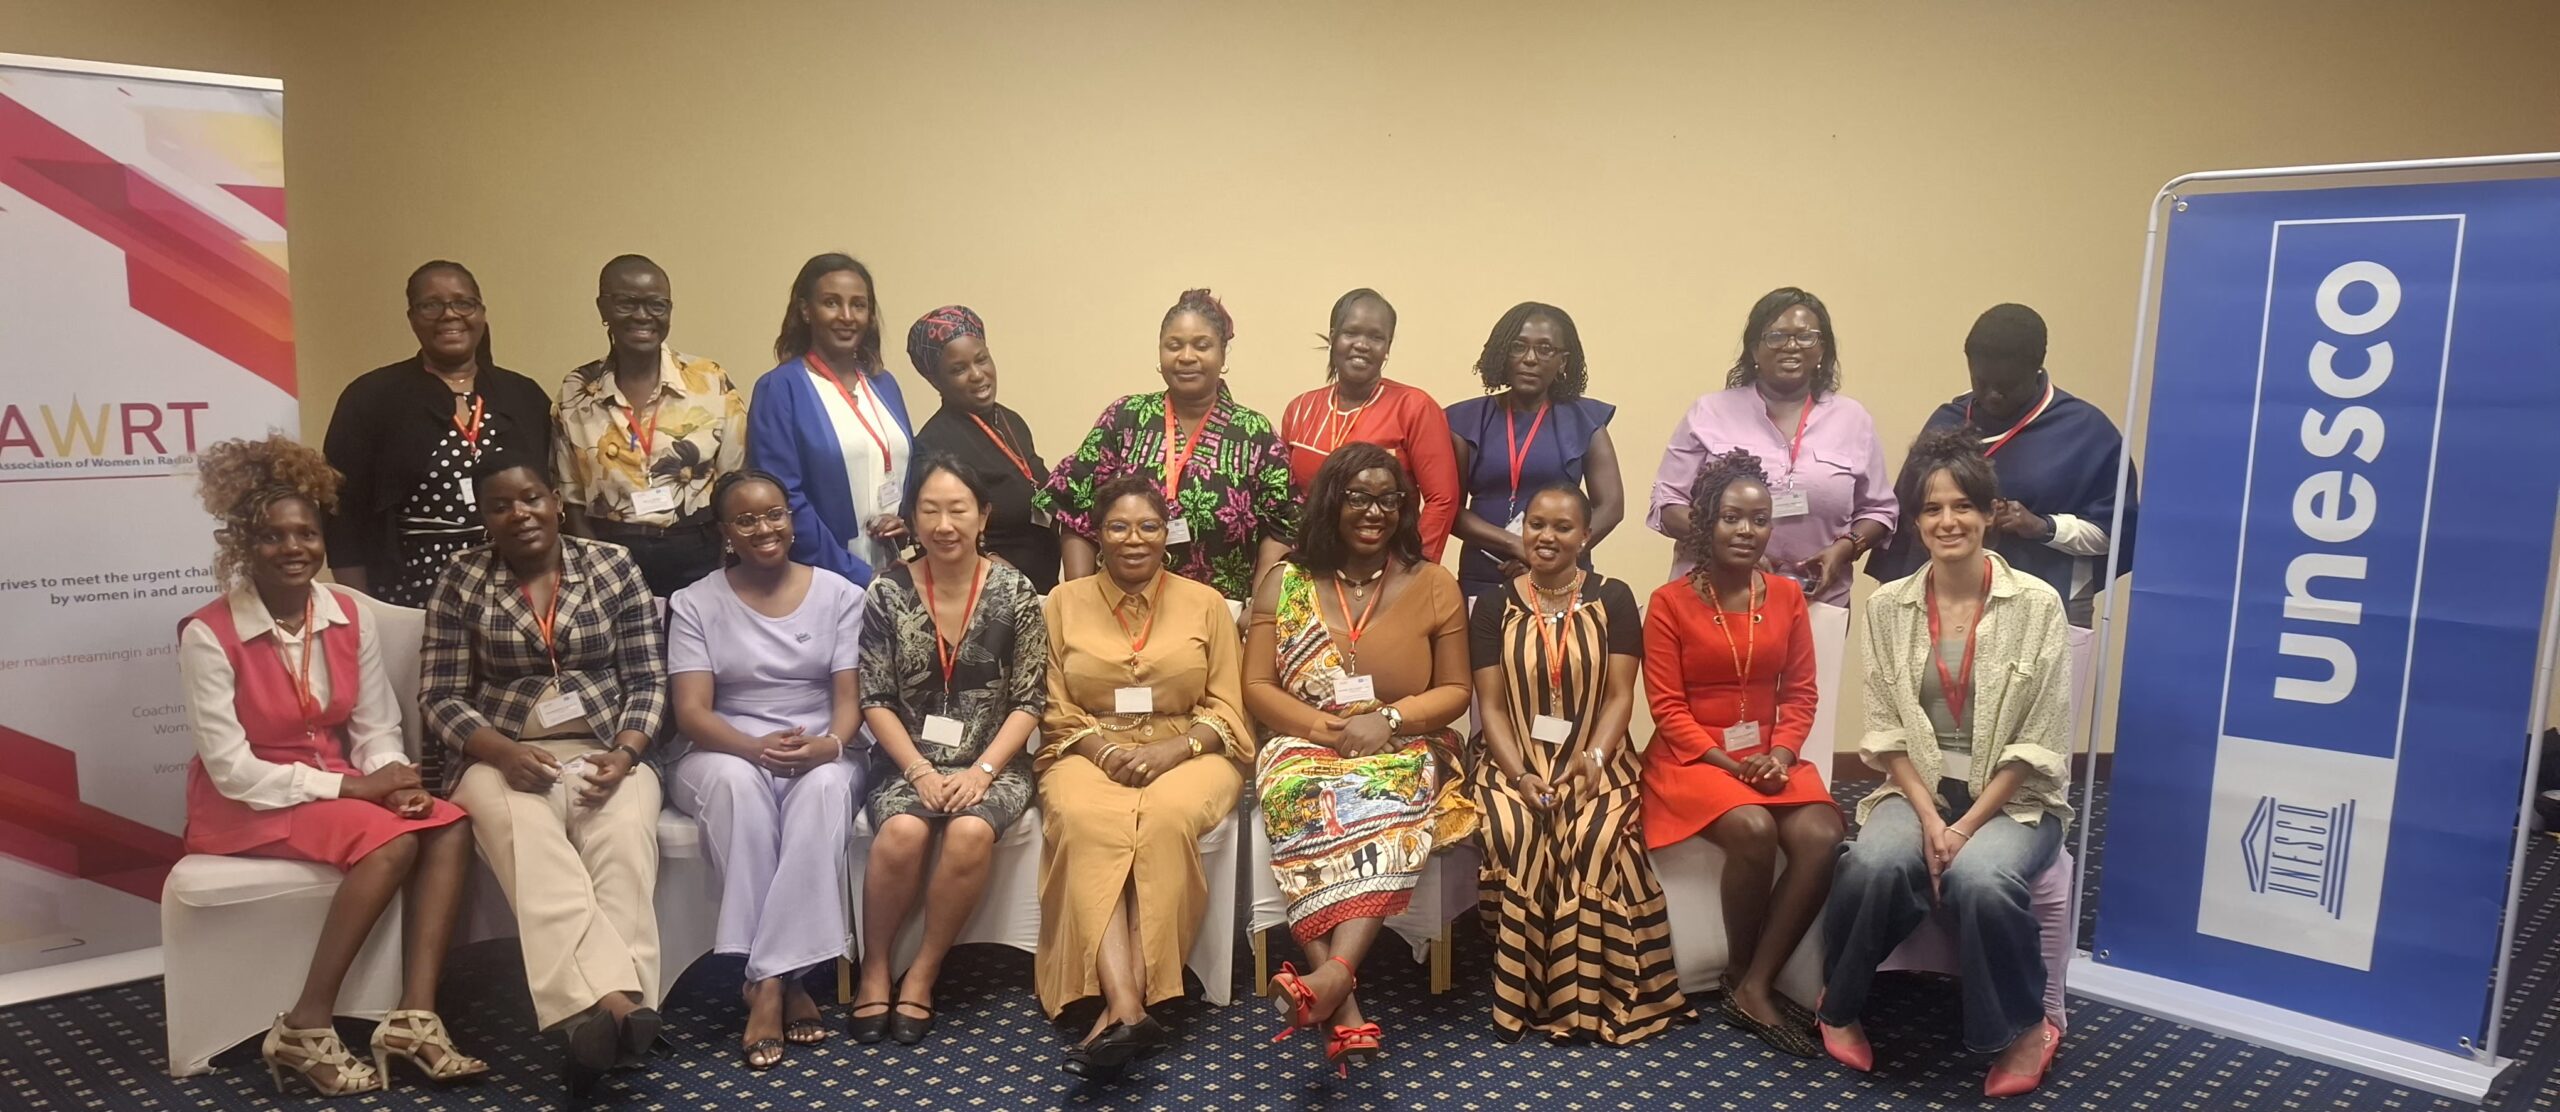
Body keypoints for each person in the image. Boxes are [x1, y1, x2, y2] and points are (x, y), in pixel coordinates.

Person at [180, 435, 485, 1097]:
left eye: (306, 533)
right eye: (271, 537)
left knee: (449, 822)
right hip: (248, 802)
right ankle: (305, 1024)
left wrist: (397, 780)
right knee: (390, 848)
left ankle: (416, 1018)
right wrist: (358, 786)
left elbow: (375, 725)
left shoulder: (348, 612)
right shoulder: (208, 633)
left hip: (344, 790)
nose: (294, 548)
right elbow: (231, 769)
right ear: (241, 545)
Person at [1817, 430, 2073, 1098]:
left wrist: (1963, 831)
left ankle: (2025, 1029)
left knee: (1983, 880)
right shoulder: (1888, 606)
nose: (1947, 521)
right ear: (1915, 520)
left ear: (1989, 513)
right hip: (1922, 789)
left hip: (2014, 800)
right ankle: (1839, 1003)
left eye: (1963, 505)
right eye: (1932, 509)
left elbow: (2037, 743)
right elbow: (1885, 732)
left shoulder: (2038, 605)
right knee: (1873, 860)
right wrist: (1932, 817)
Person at [419, 456, 667, 1096]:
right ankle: (616, 1005)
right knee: (534, 847)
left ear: (556, 502)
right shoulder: (462, 578)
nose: (519, 513)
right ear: (485, 518)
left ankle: (591, 1020)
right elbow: (440, 695)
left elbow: (647, 677)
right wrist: (499, 752)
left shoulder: (611, 564)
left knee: (623, 843)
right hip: (501, 755)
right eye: (501, 505)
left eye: (531, 498)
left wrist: (629, 751)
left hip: (606, 747)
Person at [1248, 444, 1475, 1075]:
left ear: (1403, 507)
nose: (1373, 511)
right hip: (1305, 741)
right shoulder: (1285, 580)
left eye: (1387, 498)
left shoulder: (1434, 583)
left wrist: (1392, 719)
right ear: (1332, 501)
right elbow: (1259, 687)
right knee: (1299, 794)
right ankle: (1340, 999)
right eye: (1358, 496)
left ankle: (1328, 982)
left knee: (1389, 804)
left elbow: (1457, 691)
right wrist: (1320, 726)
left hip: (1405, 743)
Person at [1033, 475, 1252, 1077]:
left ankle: (1122, 1011)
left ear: (1168, 535)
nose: (1134, 540)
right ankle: (1129, 1005)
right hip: (1086, 749)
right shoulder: (1062, 602)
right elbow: (1053, 706)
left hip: (1190, 750)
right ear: (1097, 535)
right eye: (1119, 527)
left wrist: (1176, 749)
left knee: (1162, 819)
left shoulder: (1206, 602)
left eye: (1149, 527)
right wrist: (1103, 752)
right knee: (1086, 820)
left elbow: (1230, 705)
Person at [1465, 481, 1688, 1044]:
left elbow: (1620, 696)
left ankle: (1584, 1001)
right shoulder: (1494, 605)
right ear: (1523, 529)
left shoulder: (1613, 598)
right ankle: (1525, 994)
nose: (1547, 536)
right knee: (1514, 829)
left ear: (1586, 536)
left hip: (1598, 756)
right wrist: (1519, 775)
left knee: (1591, 834)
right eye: (1537, 523)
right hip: (1509, 757)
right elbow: (1489, 705)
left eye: (1563, 527)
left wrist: (1591, 759)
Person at [1639, 449, 1842, 1057]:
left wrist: (1780, 756)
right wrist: (1735, 766)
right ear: (1706, 521)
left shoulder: (1784, 596)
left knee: (1822, 834)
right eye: (1732, 518)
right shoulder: (1669, 603)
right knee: (1753, 827)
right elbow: (1667, 709)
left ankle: (1752, 983)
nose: (1747, 531)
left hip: (1770, 758)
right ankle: (1744, 980)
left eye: (1759, 520)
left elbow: (1802, 692)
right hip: (1693, 761)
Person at [664, 470, 868, 1070]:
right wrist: (754, 750)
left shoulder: (839, 594)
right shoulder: (696, 601)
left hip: (820, 746)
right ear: (726, 532)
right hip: (722, 749)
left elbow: (850, 702)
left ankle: (767, 980)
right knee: (738, 790)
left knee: (824, 790)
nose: (765, 528)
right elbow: (691, 712)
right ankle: (790, 977)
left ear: (791, 516)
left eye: (775, 513)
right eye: (747, 520)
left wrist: (830, 747)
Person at [850, 455, 1046, 1047]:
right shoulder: (887, 591)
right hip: (906, 758)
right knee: (904, 833)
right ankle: (876, 966)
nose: (944, 524)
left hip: (996, 761)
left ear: (982, 515)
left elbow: (1030, 699)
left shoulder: (1016, 592)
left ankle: (926, 971)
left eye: (958, 509)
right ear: (910, 517)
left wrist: (984, 771)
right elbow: (874, 697)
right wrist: (916, 767)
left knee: (967, 831)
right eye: (929, 510)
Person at [1866, 304, 2136, 628]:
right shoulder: (1947, 421)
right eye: (1982, 382)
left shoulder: (2085, 432)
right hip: (1945, 604)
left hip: (2046, 606)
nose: (1993, 395)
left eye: (2007, 386)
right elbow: (1909, 521)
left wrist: (2042, 526)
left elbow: (2116, 533)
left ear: (2037, 369)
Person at [1037, 288, 1296, 603]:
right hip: (1119, 610)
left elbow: (1283, 524)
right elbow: (1074, 504)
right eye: (1174, 345)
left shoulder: (1254, 433)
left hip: (1219, 615)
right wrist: (1080, 600)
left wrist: (1258, 609)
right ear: (1160, 352)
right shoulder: (1125, 418)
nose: (1187, 356)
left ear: (1223, 354)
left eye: (1202, 345)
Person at [322, 260, 551, 611]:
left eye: (463, 303)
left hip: (517, 584)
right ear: (412, 317)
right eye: (432, 305)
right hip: (410, 591)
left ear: (481, 313)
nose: (449, 315)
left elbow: (551, 496)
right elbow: (341, 514)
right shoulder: (371, 397)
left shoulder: (522, 394)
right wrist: (365, 611)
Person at [1647, 288, 1895, 605]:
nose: (1791, 346)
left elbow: (1879, 510)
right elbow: (1668, 505)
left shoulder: (1853, 419)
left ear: (1822, 350)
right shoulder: (1709, 413)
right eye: (1776, 336)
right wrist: (1729, 546)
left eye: (1806, 337)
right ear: (1754, 349)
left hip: (1815, 601)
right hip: (1713, 598)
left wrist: (1846, 547)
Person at [553, 254, 747, 597]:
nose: (643, 316)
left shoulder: (709, 379)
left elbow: (734, 480)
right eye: (627, 302)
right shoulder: (577, 389)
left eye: (656, 305)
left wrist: (724, 565)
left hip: (698, 553)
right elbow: (572, 499)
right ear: (603, 309)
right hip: (610, 556)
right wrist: (598, 570)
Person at [747, 253, 915, 585]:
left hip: (889, 572)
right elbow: (784, 500)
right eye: (831, 303)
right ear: (806, 310)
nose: (847, 316)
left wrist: (904, 523)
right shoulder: (780, 388)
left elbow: (905, 467)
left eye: (859, 305)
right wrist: (858, 576)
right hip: (816, 579)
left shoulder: (884, 384)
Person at [1445, 302, 1624, 599]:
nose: (1530, 359)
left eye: (1545, 349)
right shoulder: (1465, 421)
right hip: (1485, 576)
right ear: (1503, 353)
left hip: (1562, 577)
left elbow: (1611, 506)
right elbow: (1449, 508)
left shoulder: (1585, 420)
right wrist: (1516, 545)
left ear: (1563, 362)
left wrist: (1553, 556)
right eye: (1518, 346)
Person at [1278, 289, 1460, 560]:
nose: (1362, 344)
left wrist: (1412, 569)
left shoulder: (1414, 407)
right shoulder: (1300, 409)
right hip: (1312, 563)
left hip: (1387, 568)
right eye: (1351, 332)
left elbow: (1442, 500)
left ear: (1387, 347)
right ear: (1333, 337)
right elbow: (1285, 500)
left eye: (1376, 337)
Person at [907, 305, 1062, 593]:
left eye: (982, 359)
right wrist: (988, 561)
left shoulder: (1010, 419)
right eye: (959, 369)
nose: (978, 375)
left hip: (1041, 589)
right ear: (935, 380)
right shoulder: (935, 444)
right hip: (989, 598)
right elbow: (937, 532)